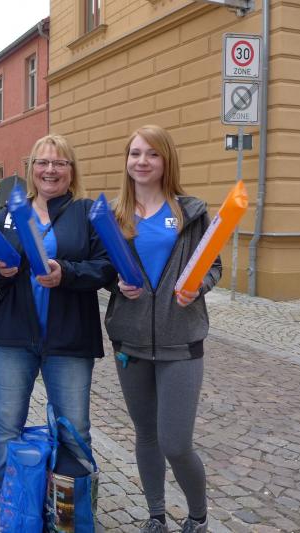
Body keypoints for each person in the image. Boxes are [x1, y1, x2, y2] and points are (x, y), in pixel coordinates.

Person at [0, 134, 115, 533]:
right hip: (14, 335)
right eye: (42, 162)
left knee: (74, 428)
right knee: (6, 423)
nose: (50, 170)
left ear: (71, 170)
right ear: (31, 169)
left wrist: (65, 273)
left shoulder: (86, 212)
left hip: (69, 338)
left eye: (59, 163)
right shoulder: (11, 210)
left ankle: (72, 514)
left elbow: (106, 267)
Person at [104, 125, 221, 533]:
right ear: (127, 160)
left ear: (166, 160)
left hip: (181, 341)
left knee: (175, 442)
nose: (142, 161)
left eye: (152, 154)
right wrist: (114, 282)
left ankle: (198, 516)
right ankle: (155, 515)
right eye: (135, 153)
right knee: (146, 435)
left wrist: (198, 286)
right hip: (130, 340)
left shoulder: (190, 212)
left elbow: (213, 266)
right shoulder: (113, 216)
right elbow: (104, 268)